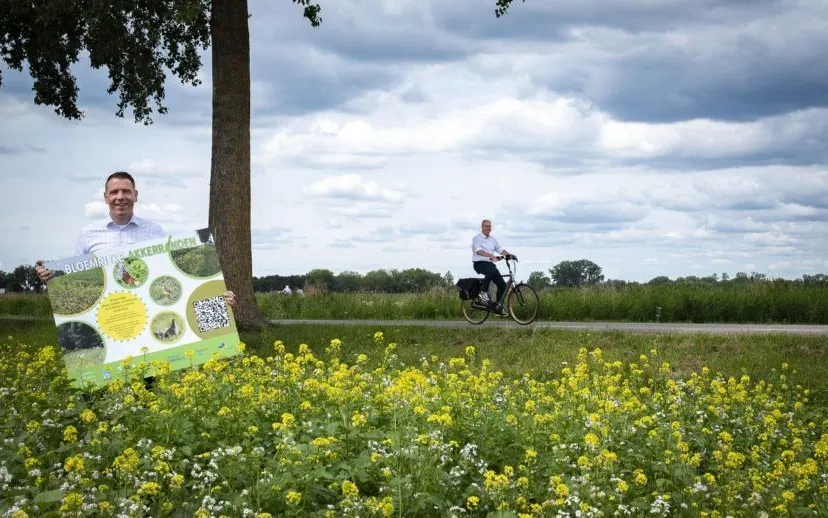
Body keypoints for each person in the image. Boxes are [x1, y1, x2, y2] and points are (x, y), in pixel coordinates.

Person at [35, 171, 235, 305]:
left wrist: (216, 298)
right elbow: (76, 279)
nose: (120, 196)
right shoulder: (88, 234)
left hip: (146, 309)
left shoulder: (155, 232)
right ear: (106, 198)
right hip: (108, 312)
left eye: (126, 191)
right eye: (114, 192)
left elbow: (173, 275)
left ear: (136, 195)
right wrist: (51, 276)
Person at [471, 219, 517, 314]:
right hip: (479, 263)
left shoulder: (493, 240)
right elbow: (478, 251)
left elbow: (500, 249)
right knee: (491, 271)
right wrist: (490, 255)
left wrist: (510, 255)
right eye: (486, 226)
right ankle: (483, 292)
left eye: (489, 226)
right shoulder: (477, 238)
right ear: (482, 227)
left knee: (502, 286)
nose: (488, 228)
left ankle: (497, 307)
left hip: (489, 264)